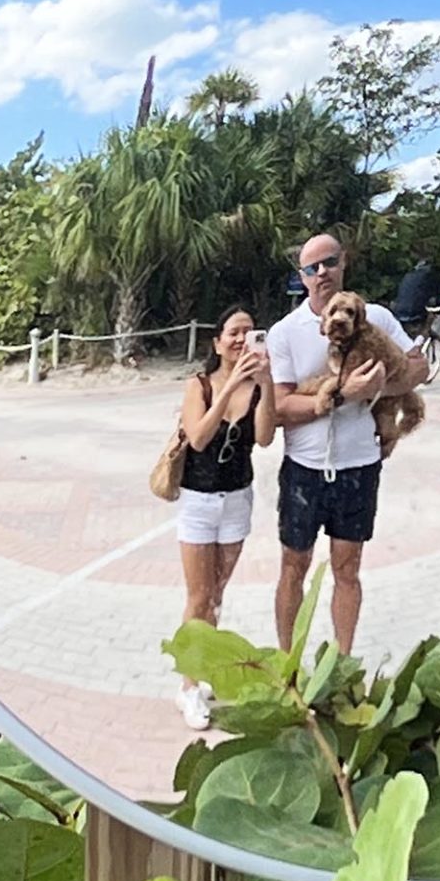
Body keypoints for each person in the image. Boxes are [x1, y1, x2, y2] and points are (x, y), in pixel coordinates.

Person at [267, 232, 427, 655]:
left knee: (348, 568)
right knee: (292, 567)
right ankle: (289, 665)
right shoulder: (286, 332)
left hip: (359, 464)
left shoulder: (377, 318)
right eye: (311, 268)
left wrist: (385, 384)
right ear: (301, 277)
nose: (322, 273)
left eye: (329, 262)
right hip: (304, 466)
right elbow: (280, 407)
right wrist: (344, 393)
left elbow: (418, 368)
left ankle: (342, 662)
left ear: (344, 264)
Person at [174, 305, 276, 731]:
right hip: (198, 502)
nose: (242, 339)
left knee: (216, 595)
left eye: (250, 332)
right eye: (234, 332)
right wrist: (230, 382)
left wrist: (265, 384)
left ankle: (203, 668)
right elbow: (197, 438)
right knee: (198, 598)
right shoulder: (199, 385)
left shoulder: (255, 389)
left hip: (237, 499)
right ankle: (187, 686)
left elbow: (267, 437)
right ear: (217, 342)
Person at [392, 257, 440, 335]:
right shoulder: (430, 276)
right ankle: (434, 331)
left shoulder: (409, 275)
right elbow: (438, 294)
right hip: (415, 312)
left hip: (399, 312)